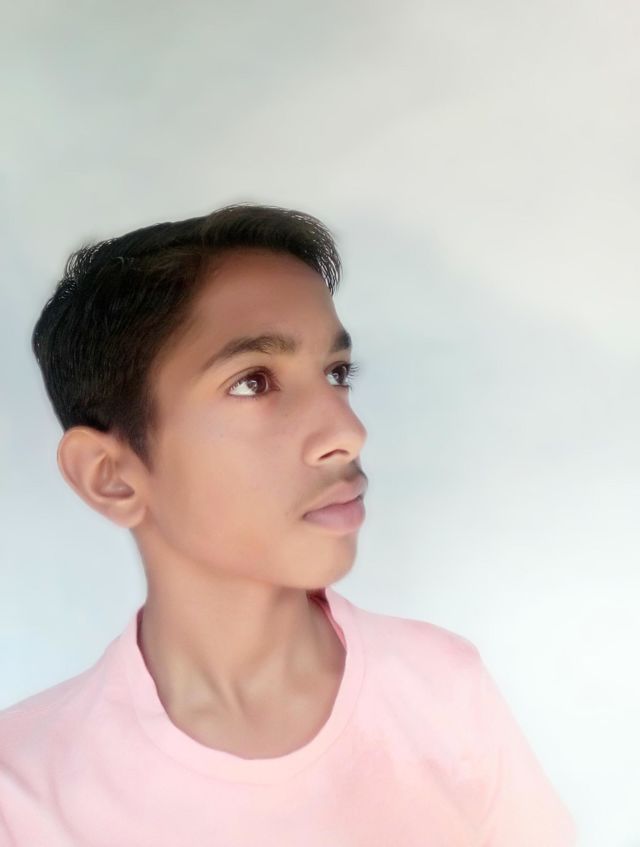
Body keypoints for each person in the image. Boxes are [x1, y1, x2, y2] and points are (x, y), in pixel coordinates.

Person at [0, 204, 577, 845]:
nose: (347, 432)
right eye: (253, 382)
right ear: (111, 475)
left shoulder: (442, 688)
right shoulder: (22, 789)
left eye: (337, 374)